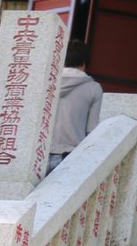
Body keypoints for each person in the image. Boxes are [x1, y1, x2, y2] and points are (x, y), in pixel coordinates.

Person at [48, 38, 103, 172]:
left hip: (37, 156)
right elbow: (91, 130)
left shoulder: (46, 82)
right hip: (70, 157)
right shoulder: (94, 88)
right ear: (84, 63)